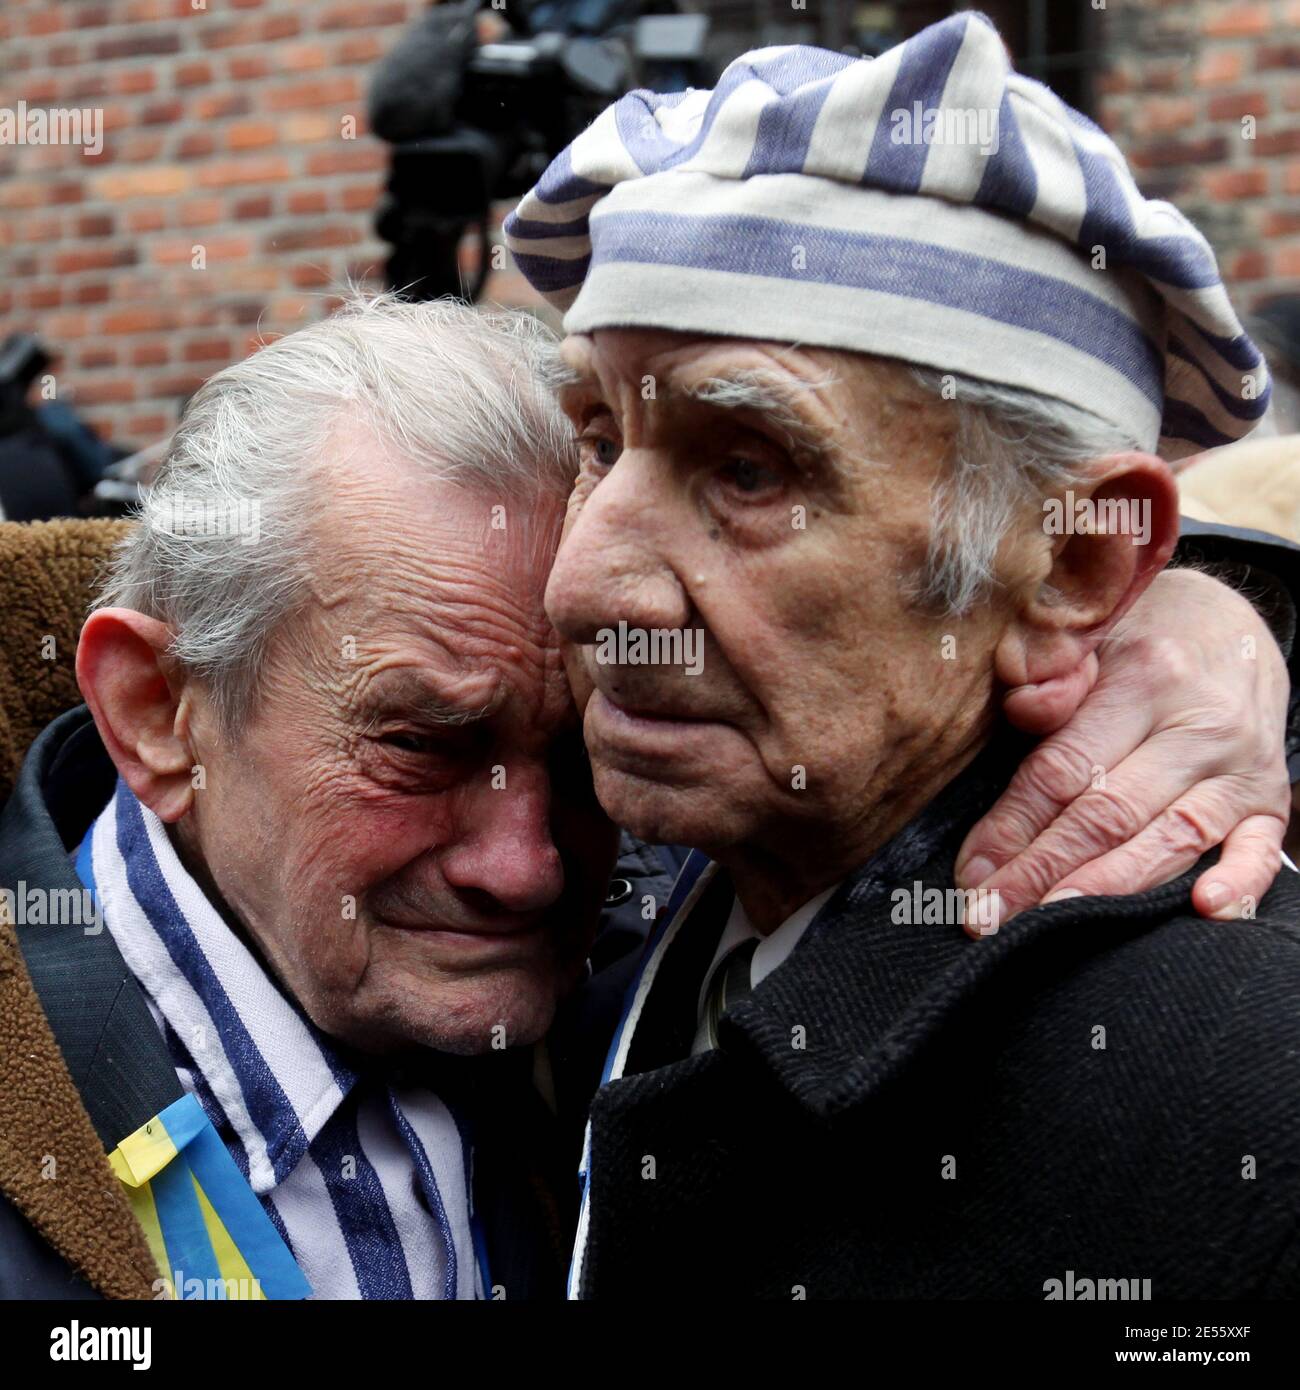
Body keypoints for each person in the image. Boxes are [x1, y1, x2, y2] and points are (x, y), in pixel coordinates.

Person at [505, 13, 1300, 1296]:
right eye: (598, 438)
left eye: (748, 468)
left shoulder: (1241, 1121)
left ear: (1075, 567)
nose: (580, 583)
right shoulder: (563, 888)